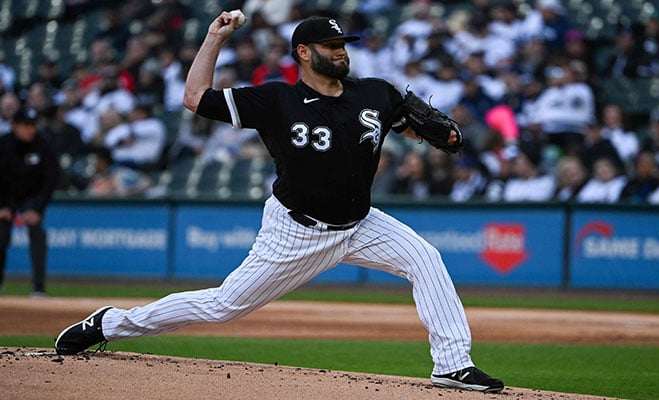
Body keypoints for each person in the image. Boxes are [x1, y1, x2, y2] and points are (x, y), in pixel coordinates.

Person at [54, 13, 504, 393]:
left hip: (360, 224)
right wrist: (214, 38)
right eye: (330, 45)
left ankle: (451, 363)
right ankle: (110, 323)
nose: (340, 51)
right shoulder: (277, 99)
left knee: (425, 258)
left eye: (343, 44)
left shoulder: (375, 93)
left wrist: (440, 134)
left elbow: (409, 125)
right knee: (223, 305)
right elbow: (195, 99)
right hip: (296, 230)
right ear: (303, 53)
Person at [0, 107, 60, 295]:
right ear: (14, 126)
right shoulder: (3, 145)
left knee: (37, 234)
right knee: (0, 237)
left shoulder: (43, 145)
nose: (30, 130)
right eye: (26, 125)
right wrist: (2, 206)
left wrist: (37, 208)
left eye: (33, 125)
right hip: (6, 197)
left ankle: (38, 287)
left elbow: (51, 179)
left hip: (32, 198)